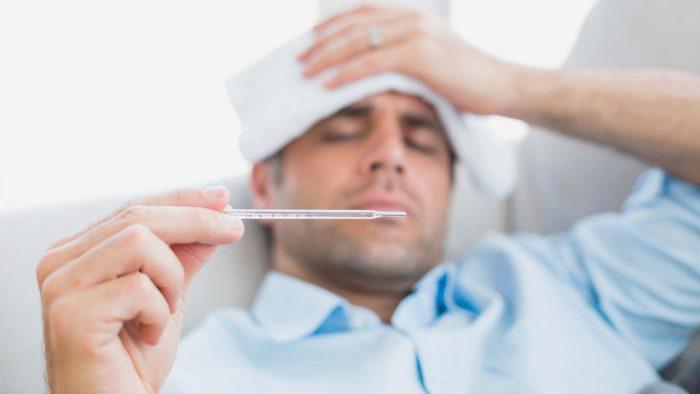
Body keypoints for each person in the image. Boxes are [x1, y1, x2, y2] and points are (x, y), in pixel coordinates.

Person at [35, 5, 700, 394]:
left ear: (451, 185)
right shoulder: (174, 373)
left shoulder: (574, 286)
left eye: (422, 137)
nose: (389, 153)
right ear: (265, 184)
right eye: (345, 130)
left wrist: (508, 87)